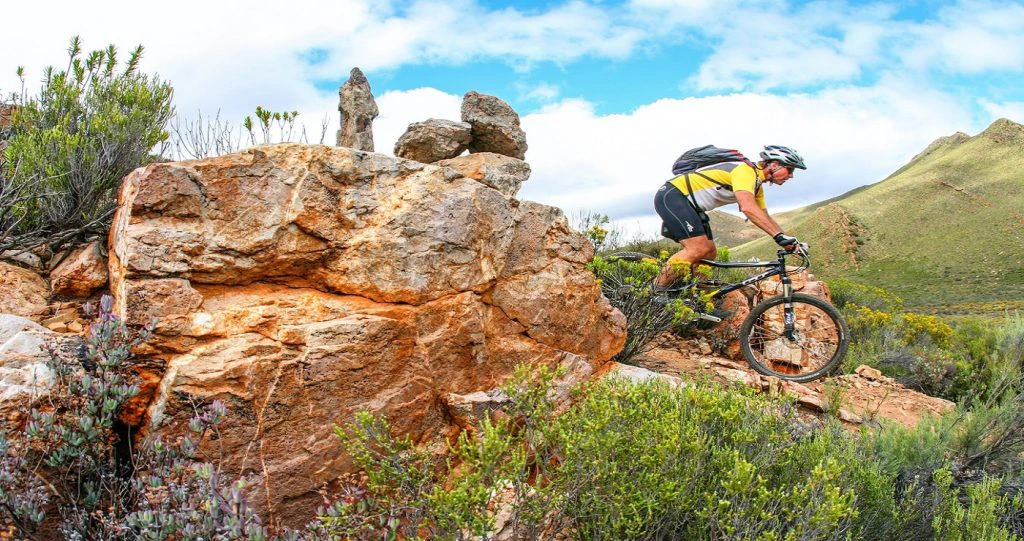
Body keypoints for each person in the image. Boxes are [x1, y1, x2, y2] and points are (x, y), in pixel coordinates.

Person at [653, 144, 806, 288]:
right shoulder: (745, 172)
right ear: (774, 165)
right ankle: (654, 291)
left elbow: (764, 217)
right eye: (790, 170)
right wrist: (778, 237)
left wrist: (788, 241)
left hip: (690, 205)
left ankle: (697, 297)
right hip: (673, 195)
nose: (791, 176)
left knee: (710, 253)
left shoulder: (756, 186)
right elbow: (748, 208)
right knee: (697, 249)